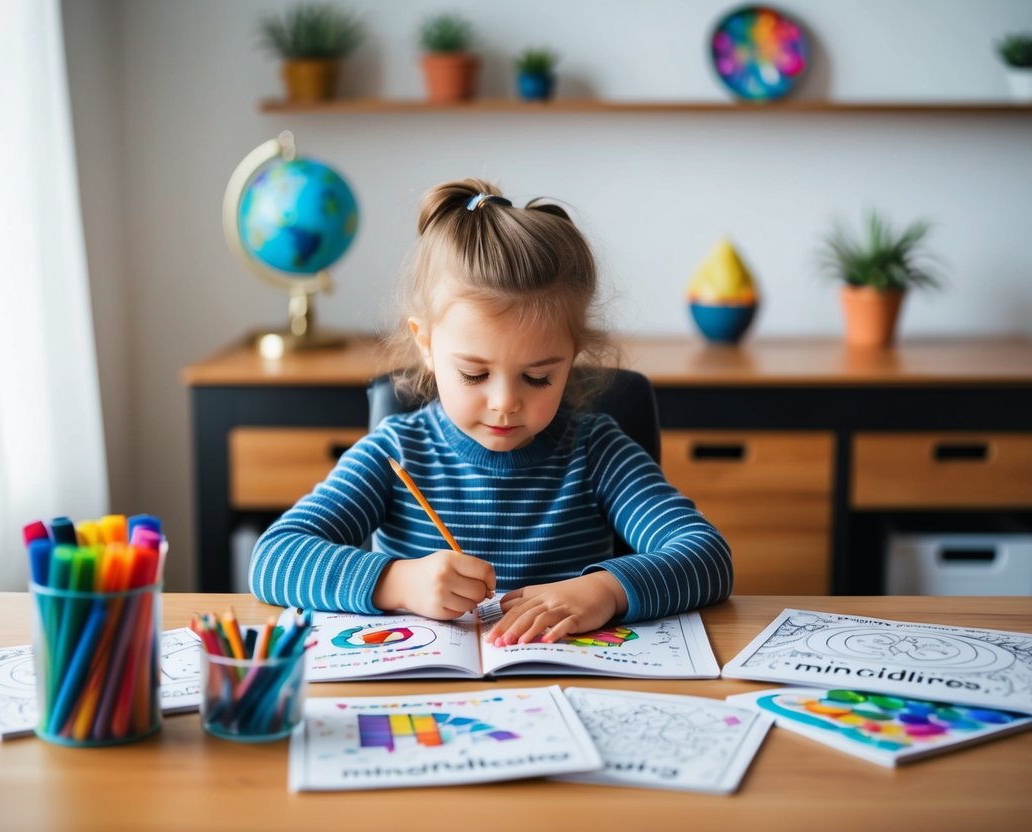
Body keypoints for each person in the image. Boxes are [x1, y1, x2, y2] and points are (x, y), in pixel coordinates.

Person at [249, 178, 732, 645]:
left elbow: (708, 557)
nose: (504, 402)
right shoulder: (395, 451)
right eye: (475, 375)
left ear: (572, 356)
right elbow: (272, 559)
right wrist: (397, 583)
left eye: (538, 377)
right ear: (426, 344)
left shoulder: (597, 451)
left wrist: (606, 590)